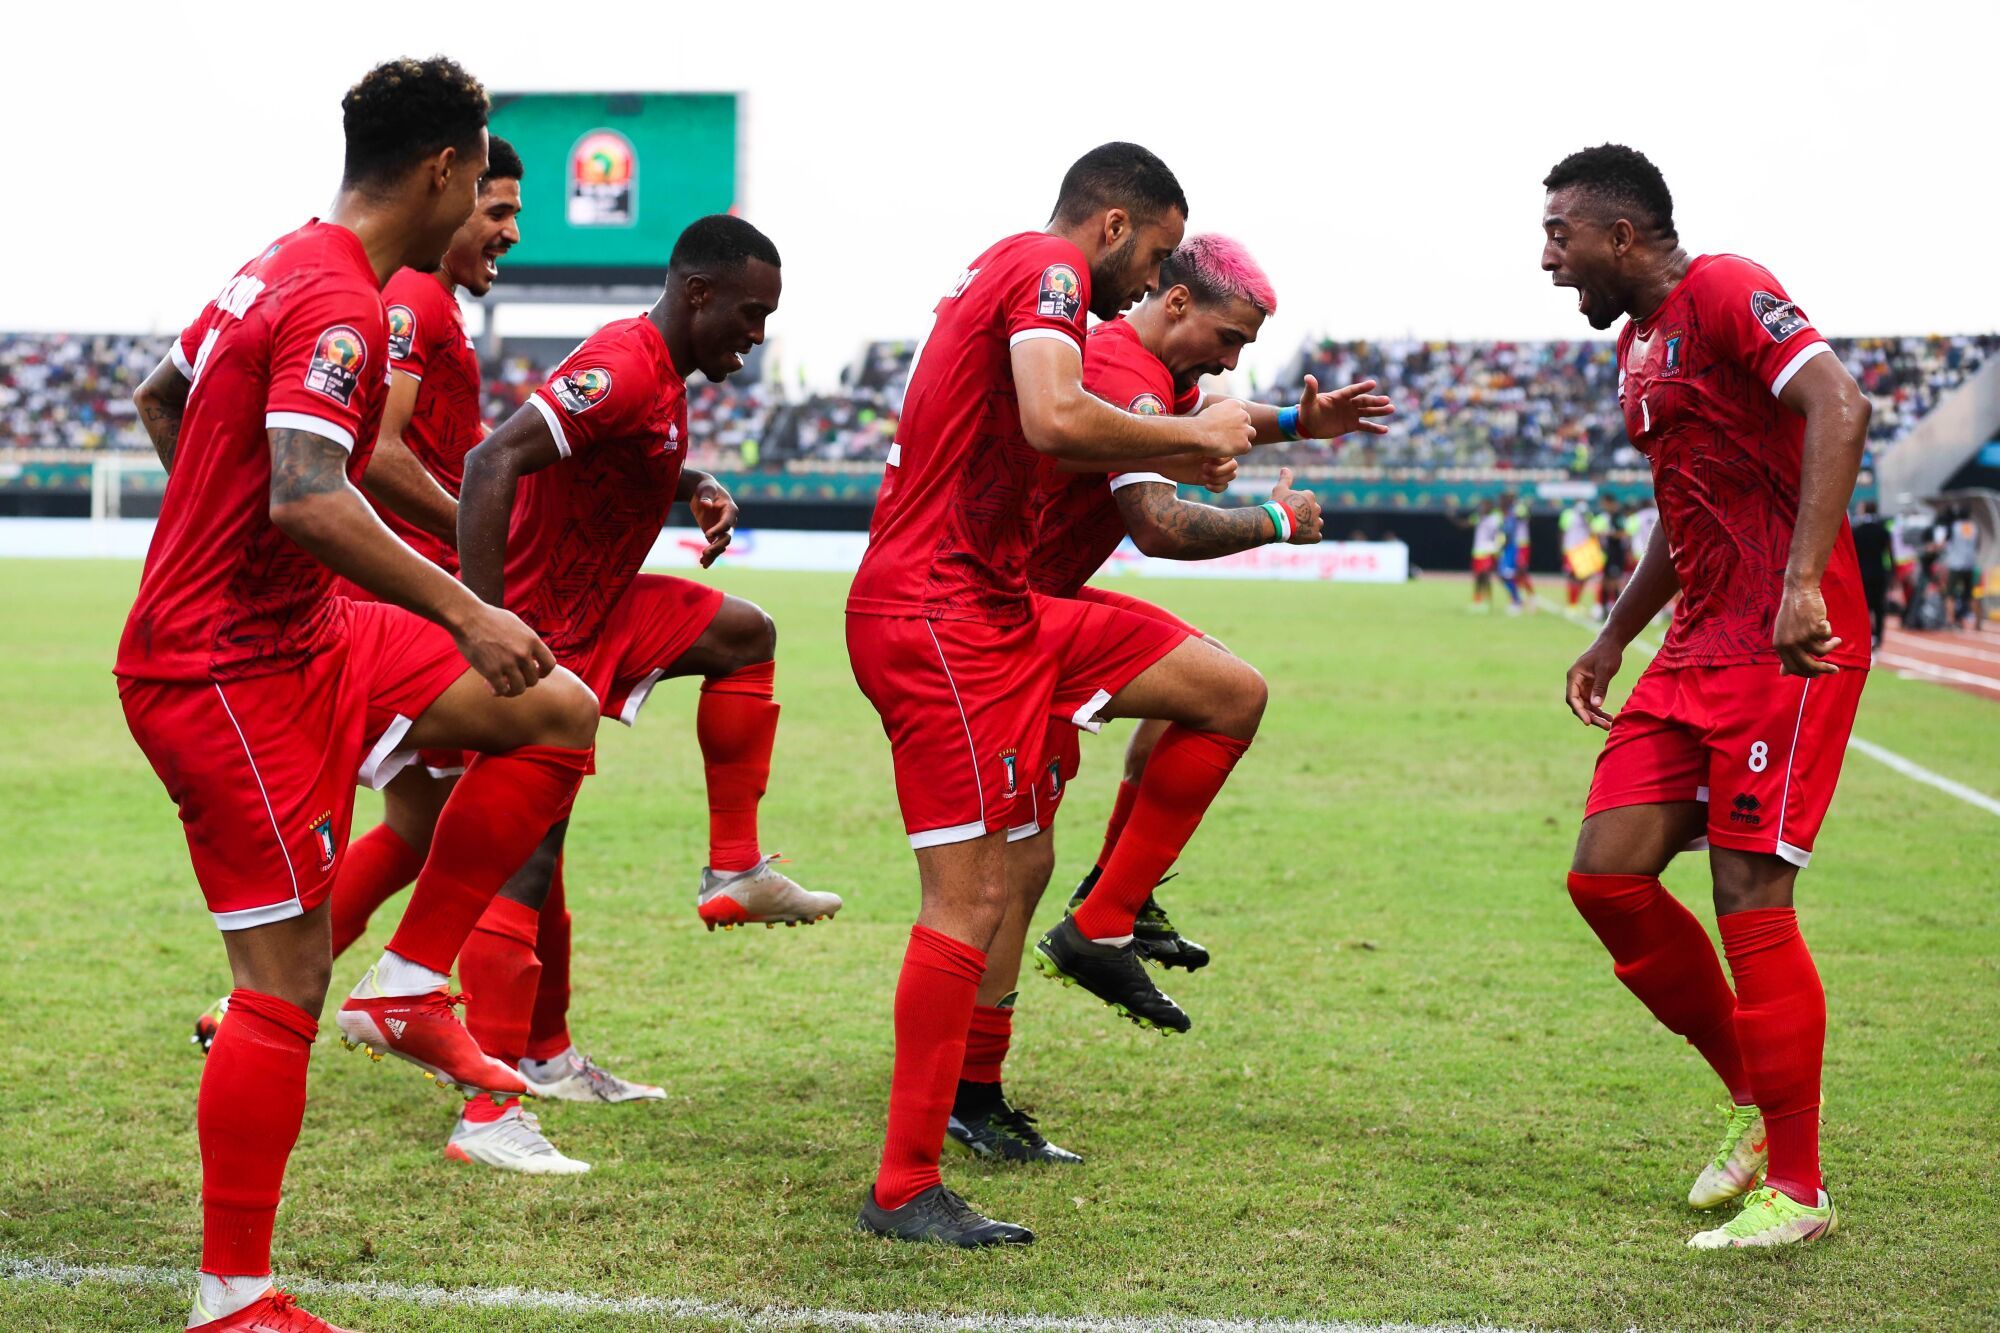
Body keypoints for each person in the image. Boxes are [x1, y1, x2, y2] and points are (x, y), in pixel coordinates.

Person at [119, 58, 598, 1332]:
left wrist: (226, 528)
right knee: (278, 983)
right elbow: (308, 490)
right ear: (443, 168)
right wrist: (465, 605)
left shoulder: (272, 263)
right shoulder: (337, 297)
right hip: (221, 667)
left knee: (559, 708)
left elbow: (160, 395)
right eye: (483, 179)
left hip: (310, 629)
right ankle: (233, 1299)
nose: (489, 208)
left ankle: (409, 982)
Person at [844, 142, 1257, 1245]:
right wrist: (1188, 435)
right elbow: (1054, 421)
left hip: (996, 613)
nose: (1151, 280)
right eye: (1159, 252)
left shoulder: (1024, 277)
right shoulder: (1050, 269)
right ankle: (902, 1186)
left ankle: (1005, 1057)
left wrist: (1252, 428)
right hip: (940, 616)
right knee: (966, 896)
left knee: (1031, 846)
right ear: (1114, 227)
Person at [949, 234, 1389, 1164]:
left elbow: (1201, 414)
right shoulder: (1118, 361)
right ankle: (1106, 916)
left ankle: (988, 1074)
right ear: (1177, 300)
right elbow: (1157, 524)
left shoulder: (1146, 365)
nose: (1234, 361)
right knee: (1227, 692)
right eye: (1229, 336)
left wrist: (1300, 426)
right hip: (1008, 620)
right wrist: (1277, 520)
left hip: (1029, 612)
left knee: (1017, 867)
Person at [447, 213, 840, 1172]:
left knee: (746, 634)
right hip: (541, 630)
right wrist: (484, 623)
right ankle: (487, 1112)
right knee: (525, 863)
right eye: (750, 315)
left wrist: (692, 481)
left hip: (604, 610)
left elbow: (615, 454)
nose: (756, 336)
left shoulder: (661, 377)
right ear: (698, 293)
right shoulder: (623, 363)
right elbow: (488, 461)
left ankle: (730, 874)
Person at [1546, 143, 1871, 1249]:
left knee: (1748, 895)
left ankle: (1798, 1188)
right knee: (1604, 875)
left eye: (1559, 236)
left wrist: (1796, 588)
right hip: (1691, 650)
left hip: (1788, 642)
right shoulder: (1635, 347)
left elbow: (1839, 401)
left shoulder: (1725, 286)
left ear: (1620, 236)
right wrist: (1609, 635)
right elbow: (1682, 514)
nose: (1547, 261)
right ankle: (1755, 1088)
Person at [313, 135, 664, 1117]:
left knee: (449, 829)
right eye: (494, 207)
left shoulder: (424, 307)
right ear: (446, 193)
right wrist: (487, 540)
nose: (510, 229)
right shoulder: (414, 299)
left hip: (416, 600)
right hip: (413, 608)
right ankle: (489, 1075)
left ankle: (533, 1048)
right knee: (529, 787)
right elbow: (376, 459)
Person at [1848, 501, 1891, 650]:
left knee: (1863, 607)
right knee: (1879, 607)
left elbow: (1852, 555)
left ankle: (1866, 637)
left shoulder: (1857, 530)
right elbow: (1890, 553)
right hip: (1879, 573)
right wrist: (1893, 574)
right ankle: (1878, 637)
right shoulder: (1883, 530)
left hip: (1862, 574)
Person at [1559, 497, 1602, 616]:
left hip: (1584, 550)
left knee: (1583, 576)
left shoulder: (1588, 516)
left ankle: (1576, 602)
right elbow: (1563, 531)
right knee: (1572, 577)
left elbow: (1593, 530)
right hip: (1571, 549)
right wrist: (1563, 548)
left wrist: (1588, 518)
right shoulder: (1567, 515)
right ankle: (1571, 604)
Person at [1590, 494, 1630, 621]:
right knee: (1606, 581)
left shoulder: (1618, 516)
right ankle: (1605, 607)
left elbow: (1623, 533)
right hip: (1610, 553)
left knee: (1614, 582)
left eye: (1604, 503)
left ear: (1609, 502)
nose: (1603, 506)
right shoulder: (1611, 516)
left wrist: (1607, 533)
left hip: (1616, 553)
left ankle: (1617, 610)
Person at [1940, 507, 1981, 629]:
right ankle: (1977, 624)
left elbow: (1944, 543)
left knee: (1950, 594)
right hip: (1970, 564)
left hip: (1956, 564)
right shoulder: (1974, 528)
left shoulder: (1954, 527)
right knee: (1971, 594)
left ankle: (1950, 621)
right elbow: (1977, 545)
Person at [1468, 499, 1503, 610]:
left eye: (1485, 506)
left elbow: (1501, 532)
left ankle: (1489, 600)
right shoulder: (1478, 517)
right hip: (1477, 551)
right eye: (1482, 506)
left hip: (1489, 550)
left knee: (1486, 575)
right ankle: (1477, 600)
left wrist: (1498, 547)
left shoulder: (1496, 518)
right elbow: (1465, 524)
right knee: (1478, 577)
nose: (1483, 508)